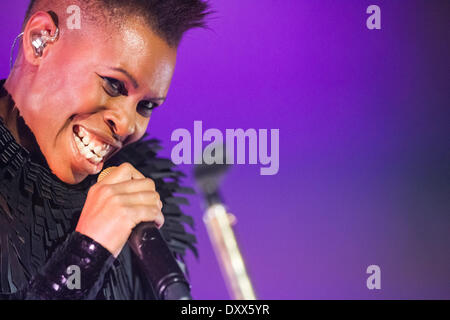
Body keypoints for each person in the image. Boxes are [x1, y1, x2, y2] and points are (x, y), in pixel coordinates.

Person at [0, 0, 209, 299]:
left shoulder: (145, 200)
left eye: (146, 106)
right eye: (113, 84)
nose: (127, 126)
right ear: (40, 41)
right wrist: (89, 250)